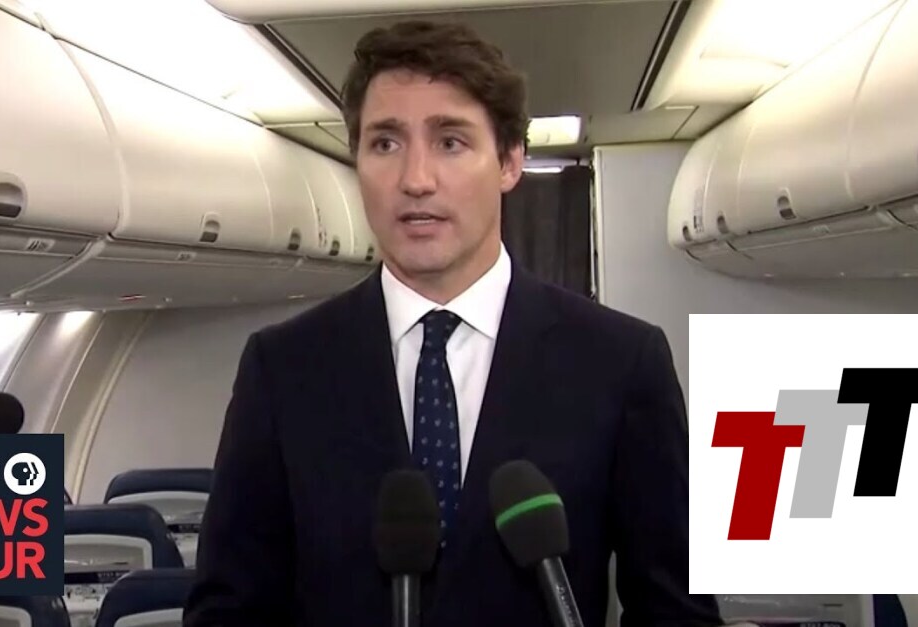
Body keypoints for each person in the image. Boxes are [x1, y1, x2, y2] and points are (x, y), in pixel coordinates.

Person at [183, 19, 722, 627]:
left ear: (510, 162)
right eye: (385, 144)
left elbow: (677, 611)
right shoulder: (283, 369)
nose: (416, 180)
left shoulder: (620, 363)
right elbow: (228, 610)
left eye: (450, 142)